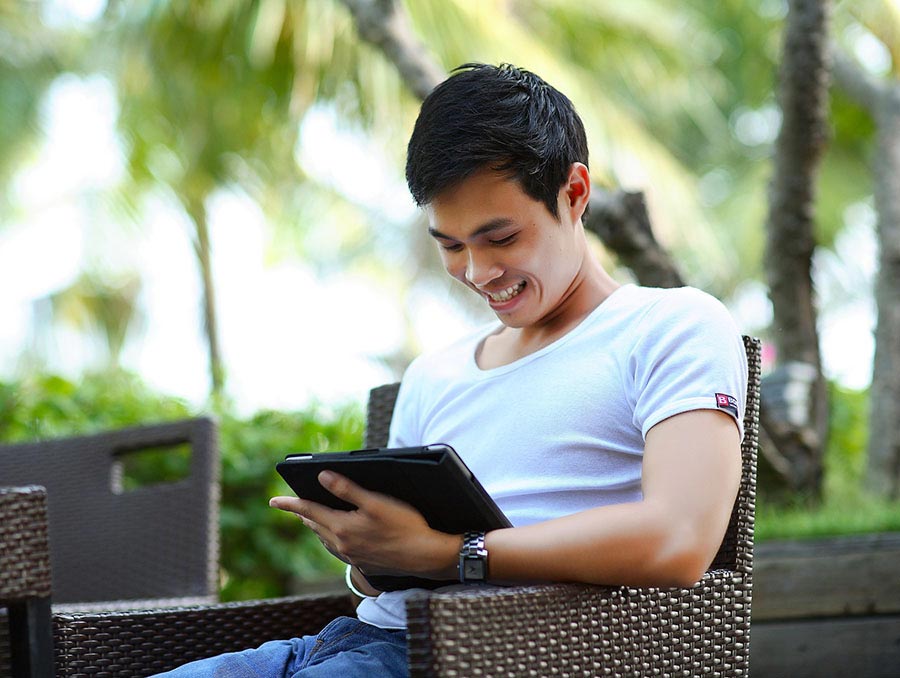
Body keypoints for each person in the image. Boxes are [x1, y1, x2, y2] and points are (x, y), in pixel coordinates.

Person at [157, 62, 747, 677]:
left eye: (501, 237)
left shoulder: (671, 326)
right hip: (348, 641)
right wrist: (367, 549)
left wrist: (451, 555)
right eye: (451, 245)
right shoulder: (434, 374)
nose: (478, 271)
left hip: (490, 655)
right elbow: (377, 581)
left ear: (574, 194)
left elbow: (679, 540)